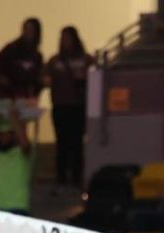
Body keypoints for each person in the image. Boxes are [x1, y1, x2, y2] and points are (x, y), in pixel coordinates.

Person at [44, 26, 93, 188]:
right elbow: (43, 76)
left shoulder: (86, 60)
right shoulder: (54, 61)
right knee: (62, 143)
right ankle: (61, 175)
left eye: (67, 38)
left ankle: (76, 176)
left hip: (78, 106)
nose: (64, 42)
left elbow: (96, 76)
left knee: (76, 142)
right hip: (60, 106)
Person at [0, 17, 44, 101]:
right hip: (6, 97)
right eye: (25, 29)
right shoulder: (11, 49)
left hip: (23, 99)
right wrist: (3, 78)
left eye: (30, 30)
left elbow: (37, 80)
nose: (27, 33)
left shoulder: (37, 56)